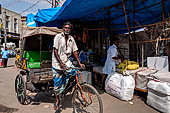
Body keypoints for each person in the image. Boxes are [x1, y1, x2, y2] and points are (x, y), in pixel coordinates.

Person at [52, 22, 85, 110]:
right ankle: (57, 100)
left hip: (67, 61)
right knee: (57, 84)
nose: (67, 29)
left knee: (76, 73)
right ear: (63, 28)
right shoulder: (58, 37)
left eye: (69, 28)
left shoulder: (71, 38)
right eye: (65, 28)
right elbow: (55, 51)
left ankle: (68, 88)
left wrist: (79, 62)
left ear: (70, 30)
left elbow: (75, 51)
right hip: (57, 62)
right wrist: (61, 64)